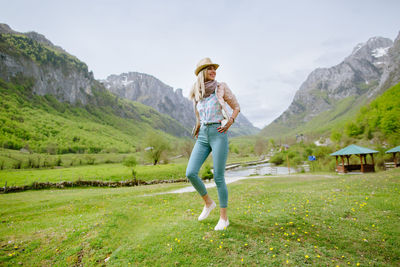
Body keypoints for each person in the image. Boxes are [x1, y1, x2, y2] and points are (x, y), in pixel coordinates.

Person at [186, 57, 240, 230]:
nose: (213, 71)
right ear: (202, 72)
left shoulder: (221, 87)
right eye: (209, 68)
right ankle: (208, 203)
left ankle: (224, 218)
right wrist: (198, 128)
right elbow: (199, 114)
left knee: (218, 177)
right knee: (191, 173)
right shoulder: (197, 92)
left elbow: (236, 106)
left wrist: (230, 122)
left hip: (218, 133)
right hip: (203, 135)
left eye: (214, 68)